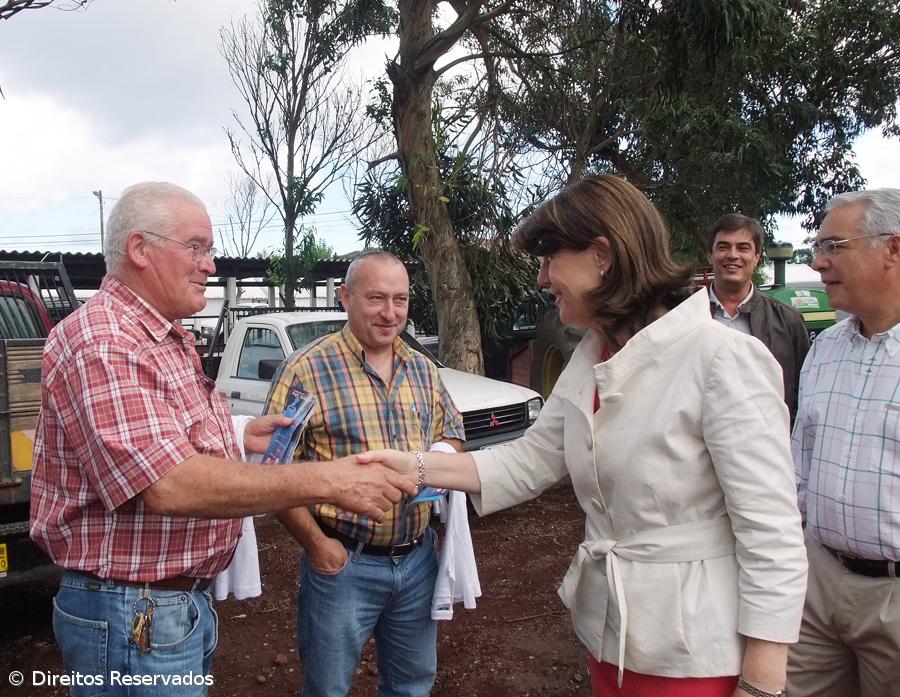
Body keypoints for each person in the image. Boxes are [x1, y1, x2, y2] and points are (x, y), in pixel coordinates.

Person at [361, 175, 808, 697]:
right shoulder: (593, 354)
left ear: (602, 255)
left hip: (695, 655)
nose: (543, 278)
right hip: (613, 637)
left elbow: (772, 534)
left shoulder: (722, 358)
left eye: (550, 259)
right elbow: (531, 459)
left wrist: (761, 681)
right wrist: (413, 466)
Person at [29, 182, 414, 697]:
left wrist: (236, 435)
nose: (209, 265)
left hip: (164, 609)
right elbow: (169, 485)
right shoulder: (106, 340)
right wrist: (330, 480)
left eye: (208, 250)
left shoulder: (161, 336)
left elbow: (165, 442)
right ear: (140, 250)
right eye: (197, 247)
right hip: (134, 613)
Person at [263, 250, 465, 697]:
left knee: (411, 686)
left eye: (401, 299)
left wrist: (438, 455)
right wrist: (319, 547)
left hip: (418, 562)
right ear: (345, 297)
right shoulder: (306, 370)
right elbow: (271, 470)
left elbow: (452, 433)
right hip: (343, 564)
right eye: (376, 298)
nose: (390, 313)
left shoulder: (423, 370)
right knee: (328, 689)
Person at [787, 189, 900, 697]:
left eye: (834, 245)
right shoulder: (825, 348)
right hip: (819, 581)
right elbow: (799, 465)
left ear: (892, 250)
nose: (817, 261)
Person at [706, 213, 810, 423]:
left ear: (756, 259)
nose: (732, 255)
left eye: (743, 248)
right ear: (710, 256)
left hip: (765, 444)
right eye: (723, 247)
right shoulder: (683, 313)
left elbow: (803, 390)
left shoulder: (787, 320)